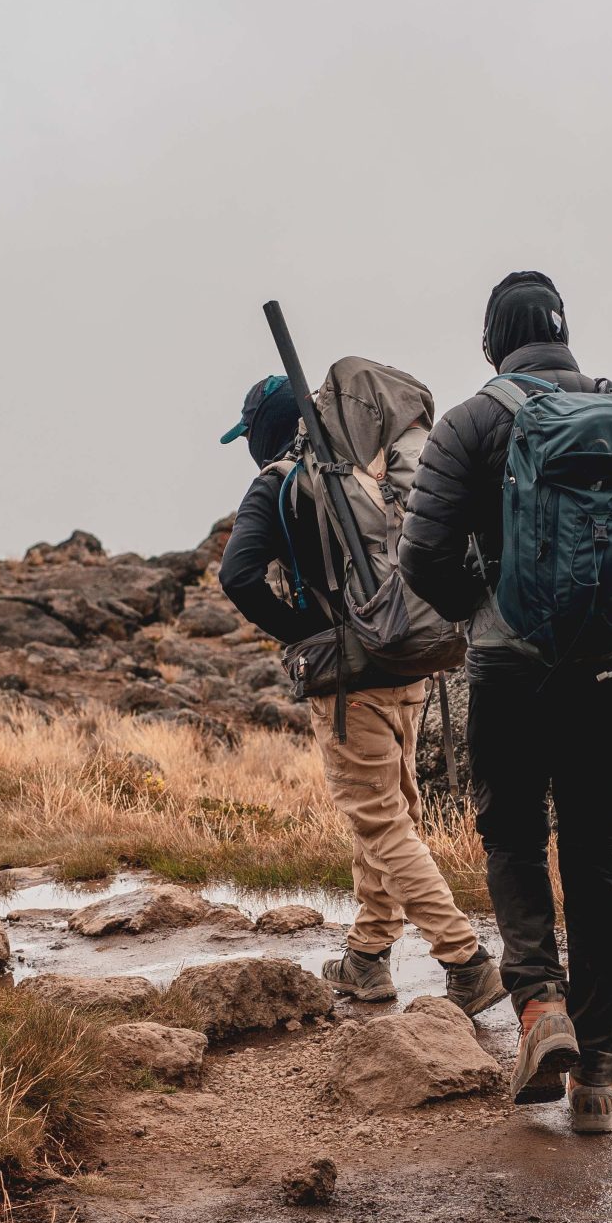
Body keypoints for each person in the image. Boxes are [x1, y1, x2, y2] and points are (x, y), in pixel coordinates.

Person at [399, 272, 612, 1134]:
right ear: (564, 332)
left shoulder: (473, 421)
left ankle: (541, 1007)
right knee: (598, 850)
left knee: (513, 832)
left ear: (490, 344)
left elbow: (424, 556)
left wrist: (487, 605)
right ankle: (603, 1076)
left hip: (509, 665)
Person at [216, 374, 505, 1018]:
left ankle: (467, 961)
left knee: (378, 820)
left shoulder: (280, 482)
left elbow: (236, 576)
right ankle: (368, 957)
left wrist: (304, 635)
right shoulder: (371, 474)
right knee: (388, 811)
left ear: (266, 430)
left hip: (348, 680)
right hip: (409, 663)